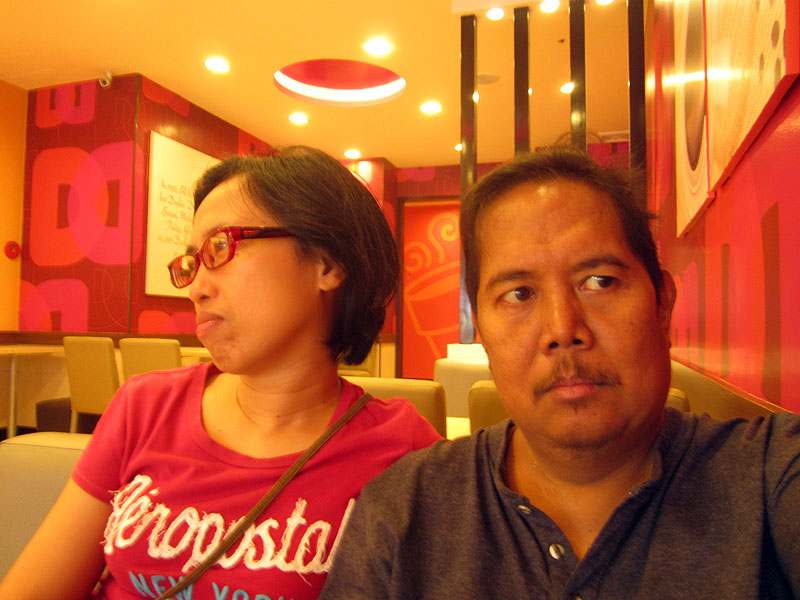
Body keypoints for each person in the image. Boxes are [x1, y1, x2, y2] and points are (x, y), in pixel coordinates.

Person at [319, 147, 800, 599]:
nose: (562, 329)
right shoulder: (401, 512)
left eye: (600, 282)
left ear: (663, 306)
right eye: (519, 294)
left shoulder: (768, 479)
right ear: (483, 334)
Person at [0, 146, 440, 600]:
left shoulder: (405, 453)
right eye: (191, 262)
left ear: (327, 263)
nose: (195, 289)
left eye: (220, 247)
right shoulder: (145, 406)